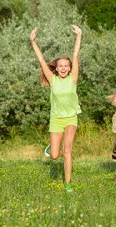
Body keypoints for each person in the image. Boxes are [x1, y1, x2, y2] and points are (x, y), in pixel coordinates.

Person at [30, 25, 82, 192]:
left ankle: (67, 184)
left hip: (71, 118)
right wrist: (33, 42)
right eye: (60, 66)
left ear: (69, 68)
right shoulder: (53, 80)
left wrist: (79, 35)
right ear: (57, 68)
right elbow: (41, 61)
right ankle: (49, 148)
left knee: (67, 150)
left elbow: (75, 55)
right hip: (56, 119)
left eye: (66, 66)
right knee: (54, 156)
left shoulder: (73, 78)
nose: (64, 68)